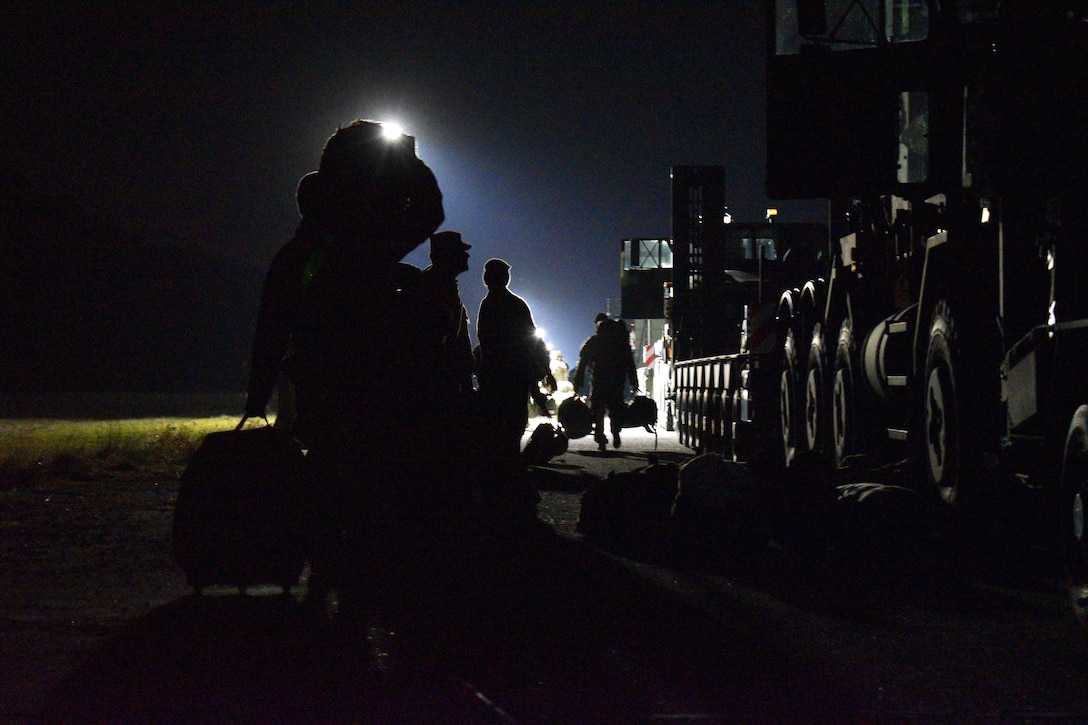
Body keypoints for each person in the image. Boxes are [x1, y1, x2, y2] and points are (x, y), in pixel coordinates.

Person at [247, 119, 445, 613]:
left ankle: (328, 562)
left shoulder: (296, 257)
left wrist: (258, 391)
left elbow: (271, 327)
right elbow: (430, 212)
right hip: (375, 382)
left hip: (322, 383)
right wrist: (408, 160)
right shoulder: (369, 252)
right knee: (371, 471)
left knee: (328, 468)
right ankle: (360, 565)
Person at [476, 258, 551, 459]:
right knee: (512, 424)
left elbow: (485, 343)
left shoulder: (490, 305)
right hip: (515, 376)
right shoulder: (516, 304)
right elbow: (534, 340)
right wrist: (545, 370)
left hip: (497, 377)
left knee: (497, 424)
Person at [417, 230, 475, 396]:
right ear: (448, 256)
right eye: (460, 251)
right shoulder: (434, 290)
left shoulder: (441, 286)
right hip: (439, 386)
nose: (466, 256)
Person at [573, 313, 638, 451]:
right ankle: (616, 432)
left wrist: (578, 382)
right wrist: (633, 381)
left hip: (599, 380)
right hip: (617, 381)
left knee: (598, 409)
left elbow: (583, 362)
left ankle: (600, 438)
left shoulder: (595, 340)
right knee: (615, 408)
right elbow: (629, 363)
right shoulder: (620, 342)